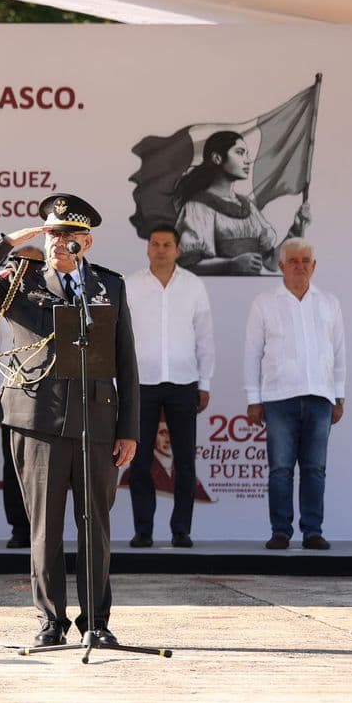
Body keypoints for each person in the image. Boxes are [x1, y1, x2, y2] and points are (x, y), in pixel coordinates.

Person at [0, 194, 139, 647]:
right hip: (37, 419)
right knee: (45, 527)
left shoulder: (108, 286)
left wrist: (129, 428)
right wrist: (8, 241)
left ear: (85, 242)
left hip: (96, 421)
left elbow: (126, 360)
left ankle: (97, 622)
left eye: (67, 235)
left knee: (95, 524)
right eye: (52, 232)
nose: (57, 241)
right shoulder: (20, 281)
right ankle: (51, 623)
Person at [243, 238, 345, 551]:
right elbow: (252, 353)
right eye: (293, 261)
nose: (299, 266)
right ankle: (281, 532)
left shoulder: (329, 303)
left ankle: (312, 531)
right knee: (281, 469)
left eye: (305, 260)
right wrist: (253, 398)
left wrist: (339, 395)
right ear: (281, 266)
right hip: (278, 397)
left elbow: (339, 352)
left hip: (320, 397)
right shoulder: (264, 302)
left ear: (314, 266)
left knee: (315, 469)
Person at [124, 223, 215, 548]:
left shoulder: (193, 286)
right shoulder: (131, 286)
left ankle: (181, 530)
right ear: (148, 248)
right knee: (139, 460)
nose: (160, 249)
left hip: (183, 382)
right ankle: (143, 530)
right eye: (155, 244)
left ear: (178, 249)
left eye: (167, 244)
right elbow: (120, 338)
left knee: (185, 460)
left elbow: (204, 338)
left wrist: (204, 382)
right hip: (141, 383)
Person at [0, 244, 44, 548]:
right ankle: (19, 529)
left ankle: (43, 529)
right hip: (11, 392)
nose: (25, 270)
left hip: (49, 396)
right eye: (19, 263)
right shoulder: (1, 301)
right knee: (14, 464)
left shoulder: (57, 298)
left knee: (46, 468)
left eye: (33, 265)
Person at [173, 130, 308, 274]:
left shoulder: (247, 206)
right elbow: (187, 265)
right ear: (217, 158)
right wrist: (230, 265)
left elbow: (271, 263)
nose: (247, 160)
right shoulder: (197, 207)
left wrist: (296, 229)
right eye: (239, 152)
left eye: (246, 154)